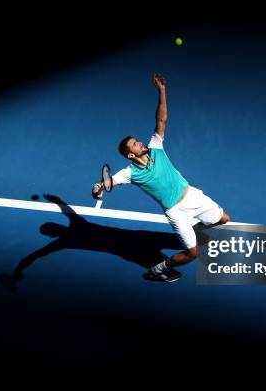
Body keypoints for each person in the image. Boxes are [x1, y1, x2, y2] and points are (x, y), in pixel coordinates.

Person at [92, 73, 230, 282]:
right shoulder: (130, 173)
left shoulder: (155, 147)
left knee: (224, 221)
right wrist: (98, 185)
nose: (140, 143)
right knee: (194, 254)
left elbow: (161, 119)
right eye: (136, 145)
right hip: (175, 212)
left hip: (192, 196)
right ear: (131, 155)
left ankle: (198, 230)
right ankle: (159, 269)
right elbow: (109, 181)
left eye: (138, 141)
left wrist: (162, 91)